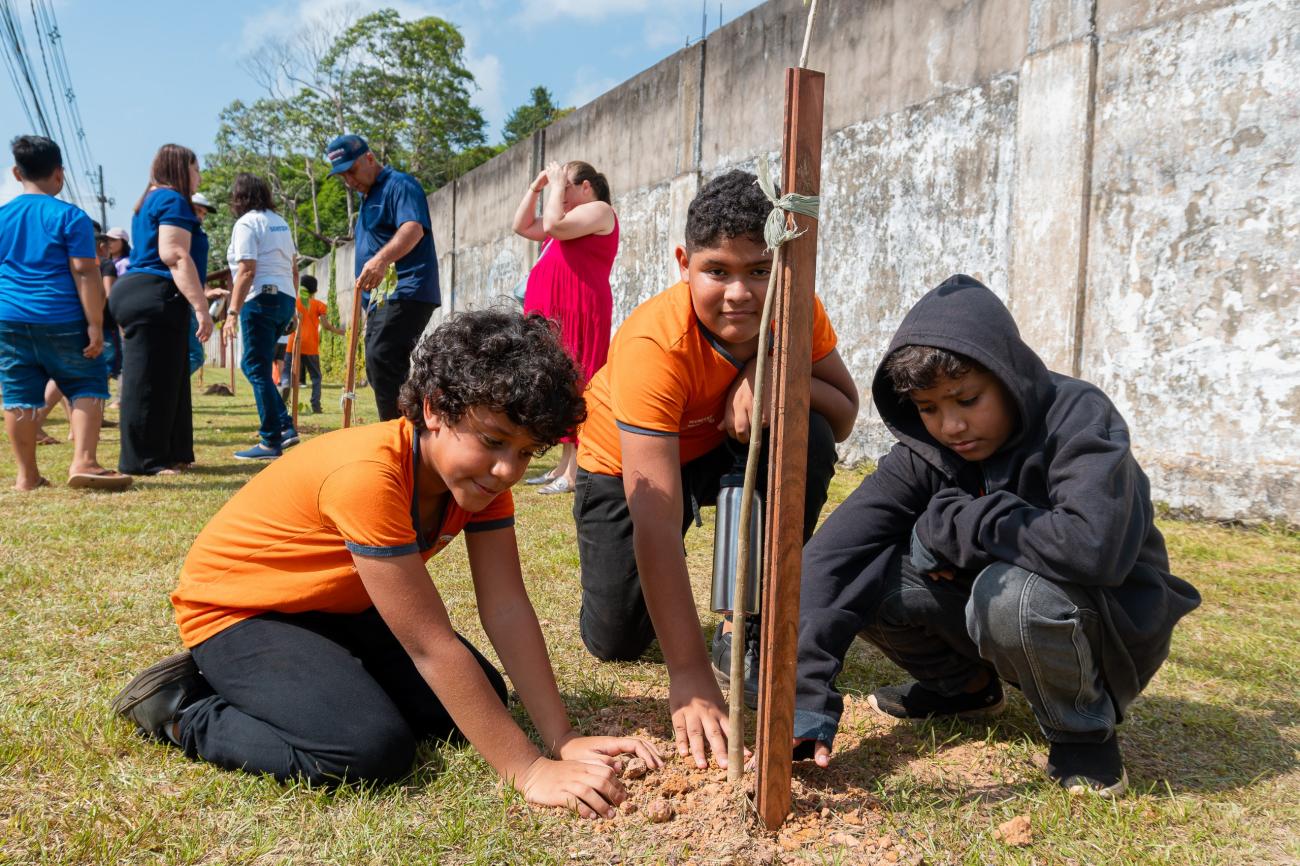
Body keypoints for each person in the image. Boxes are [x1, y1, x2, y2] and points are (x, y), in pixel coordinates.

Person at [111, 310, 662, 816]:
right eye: (494, 440)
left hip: (333, 609)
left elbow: (506, 607)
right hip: (240, 614)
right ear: (434, 408)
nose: (506, 470)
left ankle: (321, 677)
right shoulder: (369, 477)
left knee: (477, 701)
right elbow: (429, 644)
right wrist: (529, 768)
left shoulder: (482, 486)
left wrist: (561, 736)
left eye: (524, 452)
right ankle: (182, 708)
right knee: (367, 750)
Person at [790, 274, 1202, 797]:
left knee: (1009, 596)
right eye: (929, 408)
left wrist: (956, 524)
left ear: (1007, 376)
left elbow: (1093, 548)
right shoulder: (926, 452)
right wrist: (804, 700)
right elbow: (833, 557)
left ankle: (1082, 732)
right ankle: (963, 689)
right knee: (869, 569)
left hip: (1108, 628)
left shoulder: (1077, 418)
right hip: (1004, 618)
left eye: (967, 399)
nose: (951, 426)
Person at [572, 170, 860, 769]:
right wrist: (689, 674)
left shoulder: (795, 310)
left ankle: (745, 621)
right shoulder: (654, 345)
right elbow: (654, 520)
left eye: (759, 270)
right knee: (617, 640)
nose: (740, 293)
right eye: (717, 271)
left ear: (783, 266)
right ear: (684, 264)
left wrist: (777, 376)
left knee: (806, 432)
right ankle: (636, 612)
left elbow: (843, 413)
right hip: (626, 469)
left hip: (719, 450)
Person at [0, 134, 131, 491]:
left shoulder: (3, 217)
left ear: (16, 173)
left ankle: (27, 476)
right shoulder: (71, 217)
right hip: (62, 316)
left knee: (19, 394)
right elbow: (85, 271)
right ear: (59, 173)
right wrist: (95, 324)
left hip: (10, 318)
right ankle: (84, 462)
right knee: (86, 381)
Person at [512, 160, 618, 495]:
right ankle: (563, 465)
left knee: (579, 382)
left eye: (567, 185)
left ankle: (575, 471)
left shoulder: (600, 211)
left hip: (580, 310)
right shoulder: (568, 219)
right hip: (555, 312)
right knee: (557, 382)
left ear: (586, 187)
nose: (561, 192)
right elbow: (521, 226)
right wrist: (537, 187)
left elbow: (553, 225)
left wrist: (555, 187)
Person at [109, 143, 214, 475]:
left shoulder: (151, 200)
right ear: (181, 169)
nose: (199, 177)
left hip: (151, 294)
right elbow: (175, 255)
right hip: (154, 293)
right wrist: (202, 307)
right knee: (149, 382)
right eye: (196, 169)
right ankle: (143, 460)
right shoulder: (171, 199)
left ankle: (172, 452)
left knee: (172, 377)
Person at [326, 134, 439, 421]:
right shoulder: (367, 199)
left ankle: (399, 432)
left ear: (369, 158)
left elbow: (413, 228)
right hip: (381, 299)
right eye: (342, 176)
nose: (349, 180)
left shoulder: (399, 185)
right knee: (381, 365)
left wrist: (380, 260)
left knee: (382, 356)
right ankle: (409, 428)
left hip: (407, 288)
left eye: (352, 170)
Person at [221, 173, 300, 460]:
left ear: (239, 197)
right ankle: (284, 426)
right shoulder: (280, 223)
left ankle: (270, 440)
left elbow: (247, 270)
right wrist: (293, 307)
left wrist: (232, 312)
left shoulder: (247, 223)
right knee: (259, 366)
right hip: (284, 298)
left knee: (254, 366)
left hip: (260, 299)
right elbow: (293, 268)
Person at [280, 274, 343, 413]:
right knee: (316, 377)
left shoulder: (294, 302)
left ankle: (285, 384)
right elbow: (325, 326)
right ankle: (316, 405)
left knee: (287, 371)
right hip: (310, 346)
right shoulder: (319, 305)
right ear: (315, 290)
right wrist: (340, 331)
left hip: (293, 343)